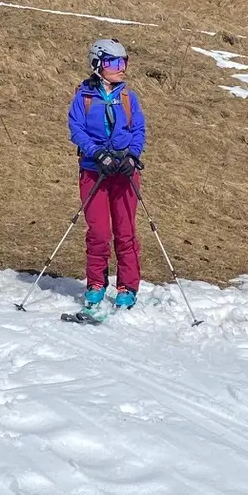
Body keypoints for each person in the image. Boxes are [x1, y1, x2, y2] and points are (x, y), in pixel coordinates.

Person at [67, 39, 148, 313]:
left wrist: (132, 156)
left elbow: (138, 129)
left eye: (124, 62)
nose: (121, 68)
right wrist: (95, 152)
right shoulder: (83, 97)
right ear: (98, 64)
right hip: (94, 171)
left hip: (124, 173)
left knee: (125, 232)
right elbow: (76, 129)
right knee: (99, 232)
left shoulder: (128, 97)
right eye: (114, 63)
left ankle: (127, 286)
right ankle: (96, 284)